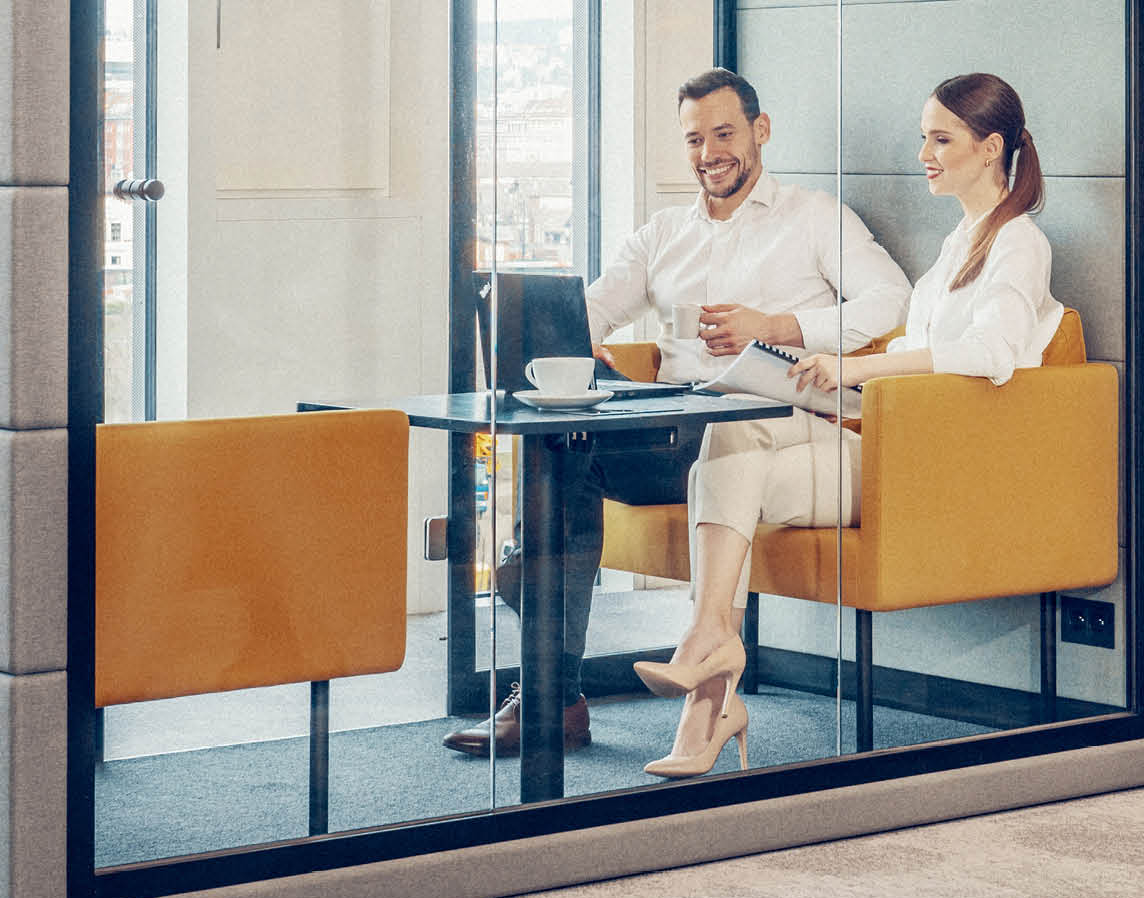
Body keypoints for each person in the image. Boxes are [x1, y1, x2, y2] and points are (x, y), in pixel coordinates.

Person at [443, 68, 909, 759]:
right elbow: (595, 307)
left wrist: (777, 325)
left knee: (573, 473)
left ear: (761, 131)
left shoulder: (814, 219)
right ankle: (551, 695)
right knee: (564, 446)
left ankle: (534, 621)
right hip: (668, 439)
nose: (708, 153)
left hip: (766, 433)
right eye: (694, 139)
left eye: (724, 134)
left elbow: (891, 302)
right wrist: (575, 340)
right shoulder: (663, 233)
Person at [636, 72, 1061, 778]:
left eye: (940, 138)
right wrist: (825, 372)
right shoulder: (963, 241)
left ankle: (708, 684)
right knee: (735, 427)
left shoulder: (1019, 244)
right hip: (880, 434)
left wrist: (857, 370)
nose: (923, 152)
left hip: (921, 466)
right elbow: (918, 347)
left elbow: (992, 355)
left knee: (730, 475)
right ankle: (710, 663)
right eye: (923, 135)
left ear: (990, 149)